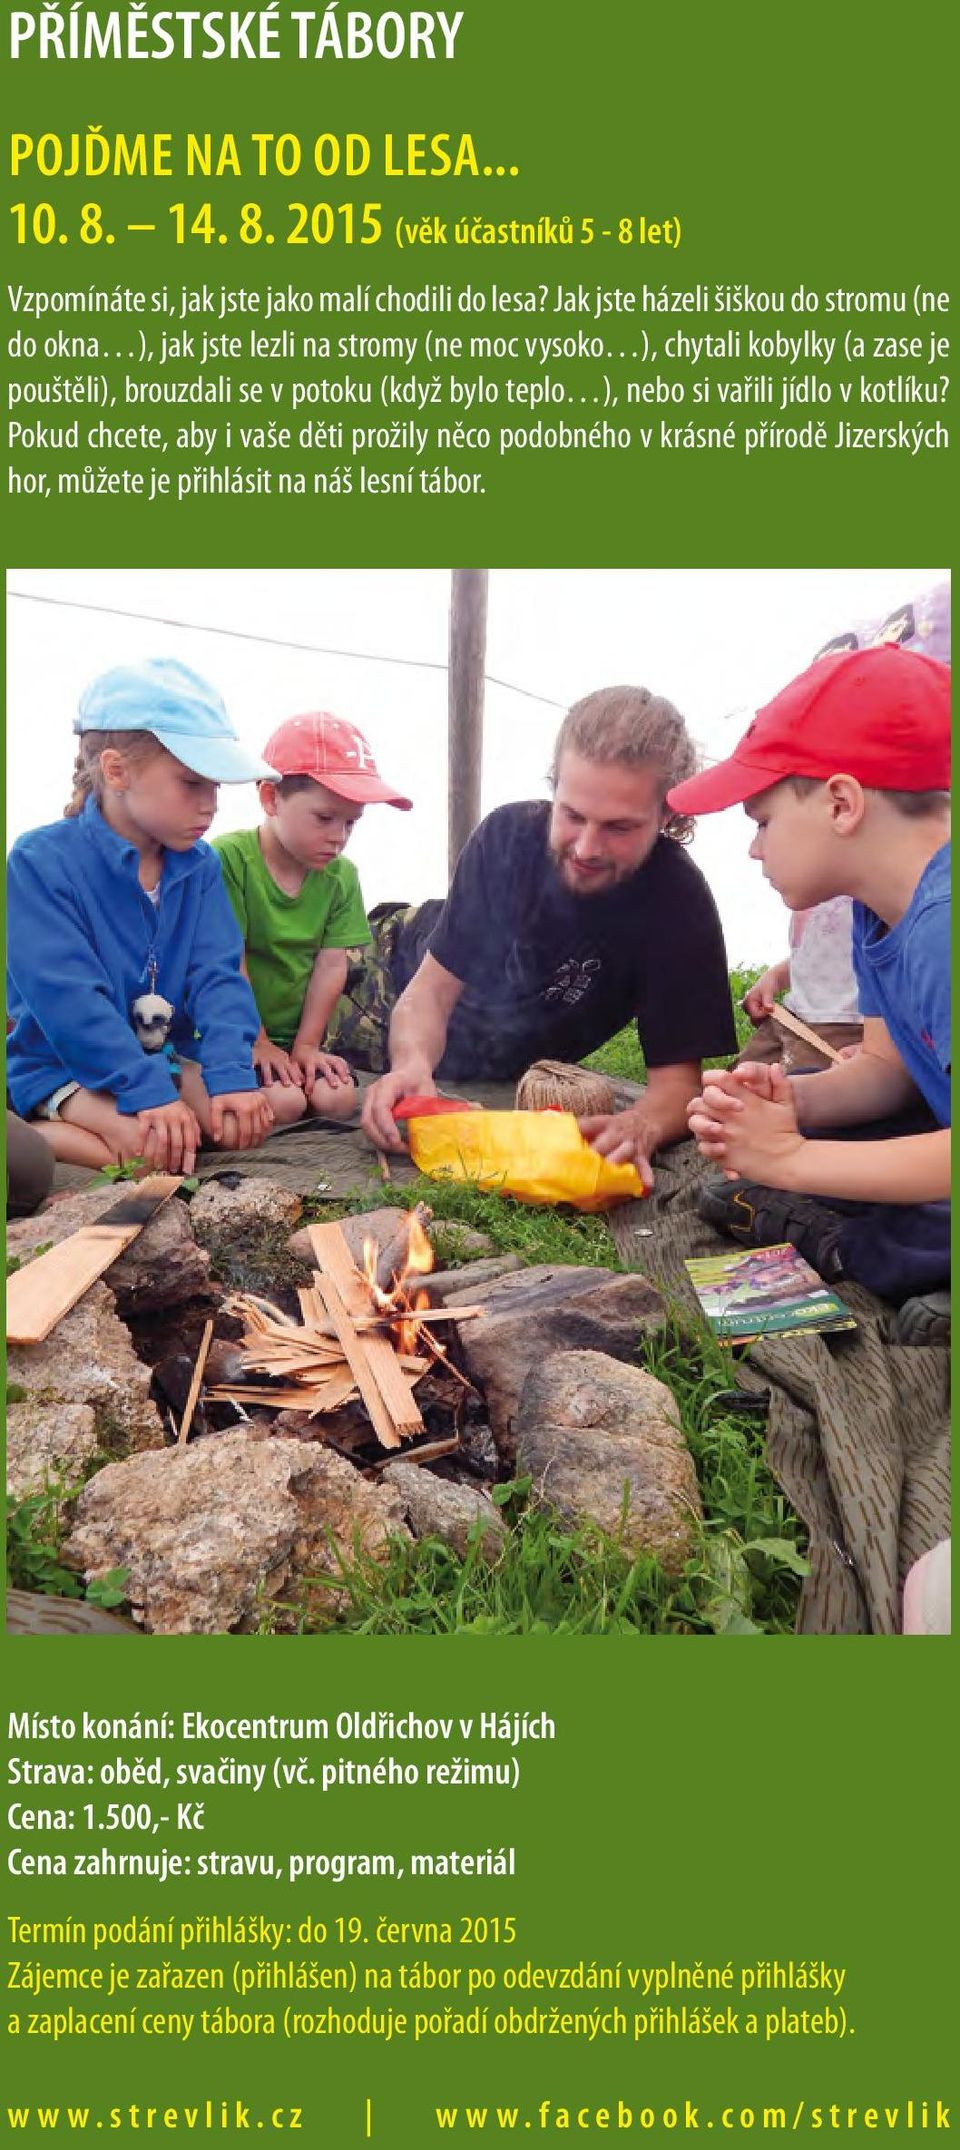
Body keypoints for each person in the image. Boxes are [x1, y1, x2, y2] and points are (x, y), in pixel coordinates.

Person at [667, 644, 950, 1332]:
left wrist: (790, 1158)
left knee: (910, 1221)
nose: (754, 849)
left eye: (762, 822)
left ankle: (845, 1246)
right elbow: (888, 1072)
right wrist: (787, 1104)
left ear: (842, 803)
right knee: (871, 1145)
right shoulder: (876, 906)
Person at [359, 684, 738, 1184]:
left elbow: (677, 1084)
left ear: (668, 816)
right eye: (573, 815)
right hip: (380, 973)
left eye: (618, 827)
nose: (585, 847)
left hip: (493, 1066)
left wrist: (640, 1124)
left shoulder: (678, 902)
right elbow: (427, 993)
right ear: (553, 787)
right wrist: (409, 1065)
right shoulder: (506, 837)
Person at [6, 659, 275, 1175]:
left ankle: (148, 1114)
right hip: (60, 1064)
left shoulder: (199, 865)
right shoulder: (40, 861)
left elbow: (218, 976)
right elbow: (71, 1004)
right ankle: (34, 1126)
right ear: (116, 771)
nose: (211, 805)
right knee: (150, 1154)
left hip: (155, 1058)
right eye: (192, 783)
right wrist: (150, 1095)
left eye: (216, 787)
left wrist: (230, 1075)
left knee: (238, 1125)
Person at [214, 713, 411, 1129]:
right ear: (270, 798)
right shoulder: (229, 860)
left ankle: (297, 1060)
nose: (339, 836)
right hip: (234, 1035)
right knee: (284, 1104)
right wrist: (258, 1042)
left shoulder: (342, 876)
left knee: (338, 1100)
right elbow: (228, 961)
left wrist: (306, 1045)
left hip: (295, 1037)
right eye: (324, 818)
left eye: (351, 822)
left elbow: (331, 964)